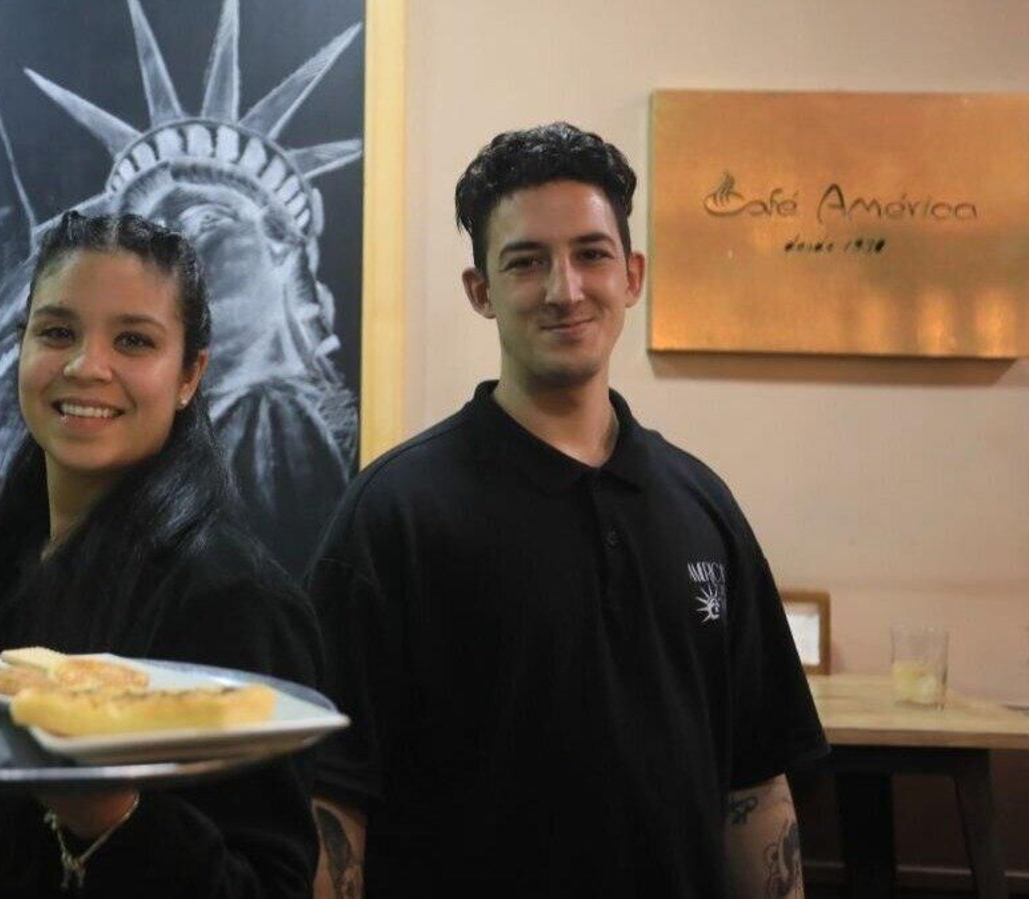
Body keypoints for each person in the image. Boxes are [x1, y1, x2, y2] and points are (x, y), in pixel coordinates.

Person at [307, 123, 828, 898]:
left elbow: (754, 786)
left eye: (591, 254)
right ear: (479, 290)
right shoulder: (395, 517)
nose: (565, 288)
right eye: (526, 262)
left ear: (633, 274)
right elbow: (333, 800)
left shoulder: (701, 506)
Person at [0, 211, 322, 898]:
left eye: (134, 340)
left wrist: (111, 815)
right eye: (57, 332)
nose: (86, 367)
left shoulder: (233, 597)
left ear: (190, 374)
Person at [0, 0, 358, 581]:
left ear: (280, 254)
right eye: (56, 332)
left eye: (206, 224)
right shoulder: (54, 479)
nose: (176, 268)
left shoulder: (273, 433)